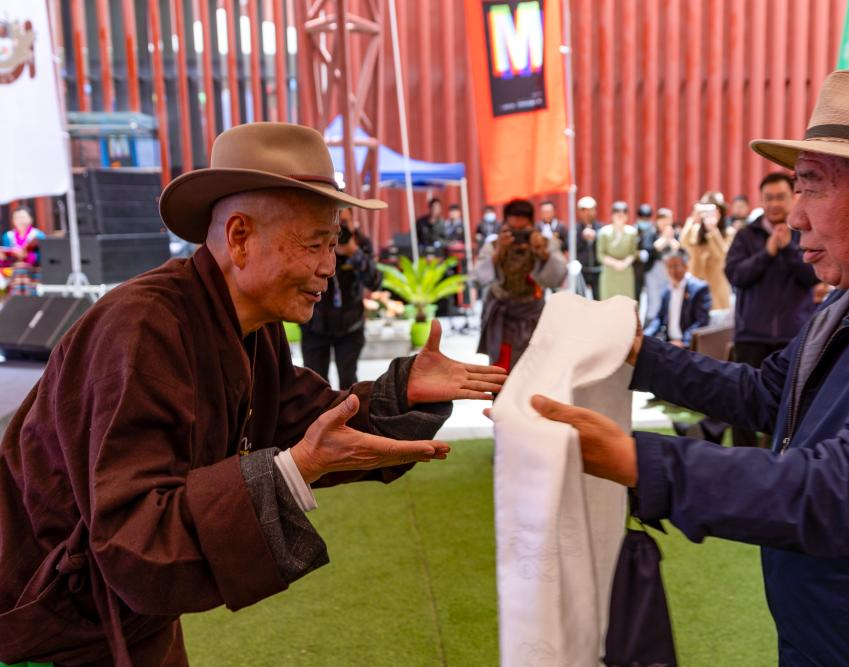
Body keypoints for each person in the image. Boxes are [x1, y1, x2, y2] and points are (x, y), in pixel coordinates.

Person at [530, 67, 849, 665]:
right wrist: (637, 354)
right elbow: (771, 393)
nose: (795, 217)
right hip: (840, 635)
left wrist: (642, 463)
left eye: (811, 187)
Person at [0, 123, 507, 665]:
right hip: (41, 623)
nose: (328, 267)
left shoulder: (248, 326)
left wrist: (402, 392)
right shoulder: (141, 326)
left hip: (123, 619)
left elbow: (304, 417)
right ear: (240, 237)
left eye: (332, 244)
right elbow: (136, 535)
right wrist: (298, 468)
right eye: (314, 244)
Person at [725, 172, 819, 446]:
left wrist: (788, 249)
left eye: (780, 197)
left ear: (793, 199)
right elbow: (736, 275)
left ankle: (780, 456)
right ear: (761, 200)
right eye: (769, 198)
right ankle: (740, 458)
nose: (774, 203)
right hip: (751, 335)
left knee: (790, 405)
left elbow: (812, 276)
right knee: (741, 401)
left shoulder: (806, 233)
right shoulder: (746, 235)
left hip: (793, 336)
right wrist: (767, 253)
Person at [473, 198, 567, 370]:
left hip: (533, 315)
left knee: (533, 368)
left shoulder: (544, 243)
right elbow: (478, 277)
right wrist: (499, 252)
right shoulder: (494, 245)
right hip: (503, 318)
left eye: (523, 230)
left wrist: (543, 254)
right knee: (502, 371)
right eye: (513, 230)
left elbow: (558, 277)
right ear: (504, 225)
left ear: (532, 224)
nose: (518, 236)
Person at [300, 207, 381, 387]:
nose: (340, 229)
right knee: (315, 384)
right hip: (315, 325)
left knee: (348, 381)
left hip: (350, 326)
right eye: (335, 222)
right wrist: (327, 251)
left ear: (353, 222)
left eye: (344, 222)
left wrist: (354, 254)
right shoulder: (314, 242)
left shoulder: (360, 243)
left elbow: (375, 282)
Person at [642, 249, 711, 348]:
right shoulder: (666, 291)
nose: (672, 271)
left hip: (689, 345)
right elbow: (658, 319)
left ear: (685, 266)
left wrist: (684, 341)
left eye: (675, 266)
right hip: (669, 343)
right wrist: (645, 336)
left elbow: (702, 320)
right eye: (668, 267)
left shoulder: (699, 288)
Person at [679, 192, 736, 311]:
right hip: (697, 290)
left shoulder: (728, 232)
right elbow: (683, 244)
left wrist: (713, 231)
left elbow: (725, 256)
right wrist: (693, 220)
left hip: (718, 291)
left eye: (715, 210)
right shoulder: (694, 230)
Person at [642, 207, 679, 326]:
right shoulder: (651, 232)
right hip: (654, 272)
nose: (665, 223)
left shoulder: (675, 233)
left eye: (668, 220)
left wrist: (671, 239)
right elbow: (650, 250)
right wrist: (664, 238)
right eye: (662, 219)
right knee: (654, 301)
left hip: (669, 272)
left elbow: (679, 251)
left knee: (669, 300)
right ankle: (650, 327)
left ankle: (665, 325)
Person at [597, 200, 638, 300]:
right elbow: (600, 254)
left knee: (625, 302)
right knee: (608, 301)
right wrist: (615, 263)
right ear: (612, 215)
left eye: (624, 212)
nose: (620, 215)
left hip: (625, 272)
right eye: (617, 212)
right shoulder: (604, 232)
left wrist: (624, 263)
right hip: (610, 271)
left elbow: (633, 253)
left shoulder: (632, 232)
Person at [575, 195, 602, 299]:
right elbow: (571, 247)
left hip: (598, 270)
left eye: (591, 210)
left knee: (599, 299)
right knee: (580, 300)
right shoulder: (575, 229)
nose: (587, 214)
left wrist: (596, 236)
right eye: (584, 210)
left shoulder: (601, 228)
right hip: (581, 271)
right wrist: (582, 237)